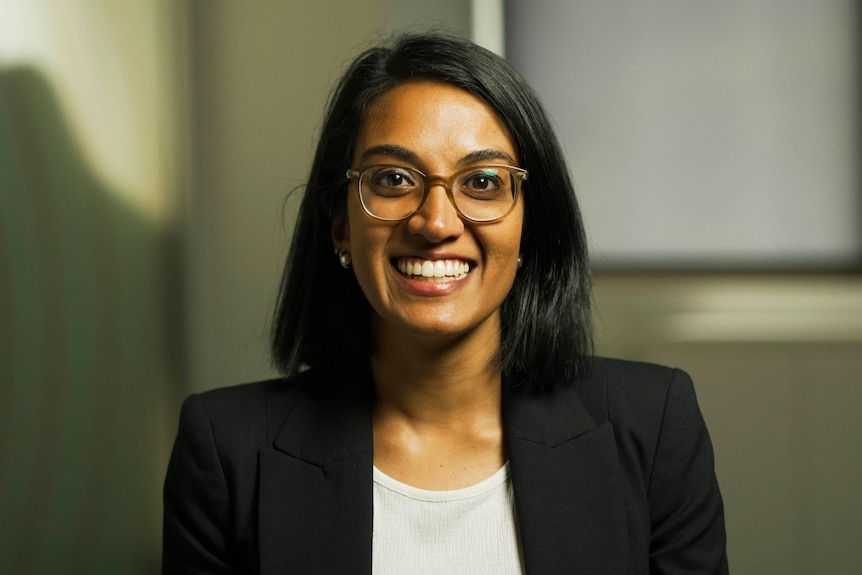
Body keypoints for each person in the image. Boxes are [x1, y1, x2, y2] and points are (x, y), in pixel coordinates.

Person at [162, 32, 728, 574]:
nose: (435, 222)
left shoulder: (653, 428)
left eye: (482, 182)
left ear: (529, 225)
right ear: (340, 225)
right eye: (392, 179)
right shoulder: (226, 452)